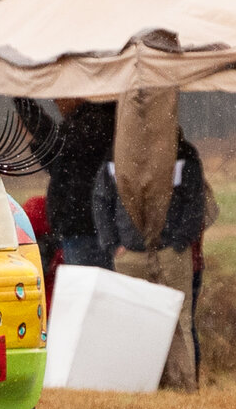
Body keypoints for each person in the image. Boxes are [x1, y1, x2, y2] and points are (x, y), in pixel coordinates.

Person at [93, 129, 208, 390]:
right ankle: (141, 385)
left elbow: (195, 203)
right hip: (132, 253)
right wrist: (114, 244)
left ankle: (181, 386)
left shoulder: (183, 155)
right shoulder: (116, 156)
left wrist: (178, 242)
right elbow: (101, 200)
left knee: (177, 321)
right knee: (136, 322)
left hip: (169, 253)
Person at [15, 97, 116, 268]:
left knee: (84, 289)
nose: (57, 102)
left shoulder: (94, 122)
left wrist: (23, 102)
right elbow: (61, 164)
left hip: (84, 229)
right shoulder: (89, 122)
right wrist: (35, 143)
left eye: (59, 97)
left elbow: (56, 146)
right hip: (79, 229)